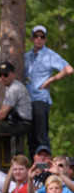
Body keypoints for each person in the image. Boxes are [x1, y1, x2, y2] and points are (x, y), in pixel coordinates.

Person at [24, 25, 74, 156]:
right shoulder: (26, 56)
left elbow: (69, 69)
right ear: (32, 38)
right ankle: (34, 170)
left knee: (42, 137)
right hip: (27, 101)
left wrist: (51, 79)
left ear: (45, 39)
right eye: (36, 36)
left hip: (40, 98)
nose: (39, 39)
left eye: (42, 37)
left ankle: (45, 170)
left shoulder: (50, 55)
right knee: (30, 138)